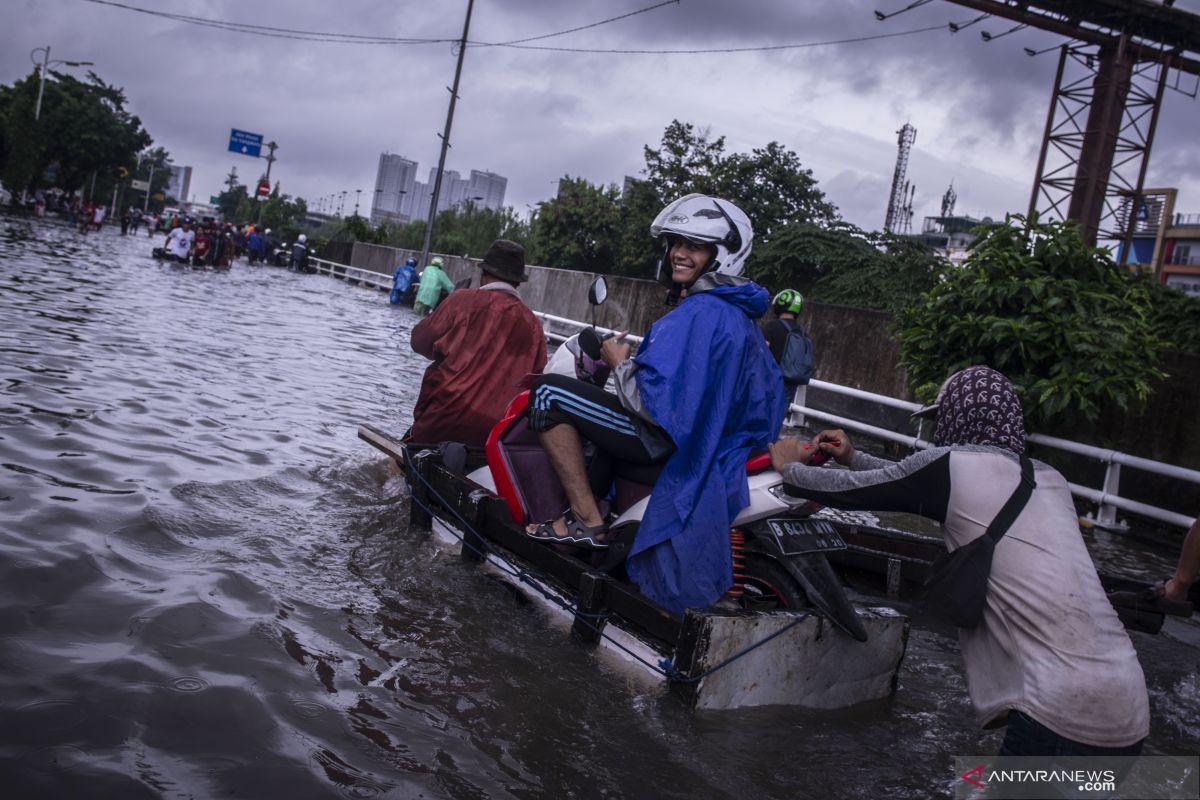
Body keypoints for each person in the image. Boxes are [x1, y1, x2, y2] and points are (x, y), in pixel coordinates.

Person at [769, 365, 1149, 758]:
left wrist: (790, 467)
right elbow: (909, 482)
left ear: (957, 418)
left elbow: (862, 492)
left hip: (1060, 712)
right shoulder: (1048, 479)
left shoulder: (952, 467)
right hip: (1130, 707)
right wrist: (853, 457)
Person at [524, 194, 786, 614]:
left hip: (668, 442)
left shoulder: (700, 312)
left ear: (722, 256)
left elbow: (653, 403)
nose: (679, 253)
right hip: (712, 444)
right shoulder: (738, 314)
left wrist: (619, 363)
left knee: (549, 393)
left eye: (694, 246)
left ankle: (586, 519)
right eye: (676, 243)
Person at [407, 239, 547, 448]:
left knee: (395, 466)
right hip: (495, 437)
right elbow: (536, 381)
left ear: (483, 275)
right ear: (517, 282)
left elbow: (419, 342)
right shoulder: (534, 326)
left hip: (442, 419)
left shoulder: (462, 301)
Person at [764, 288, 813, 400]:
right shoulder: (802, 331)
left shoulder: (772, 326)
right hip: (789, 384)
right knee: (780, 415)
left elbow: (760, 353)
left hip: (769, 381)